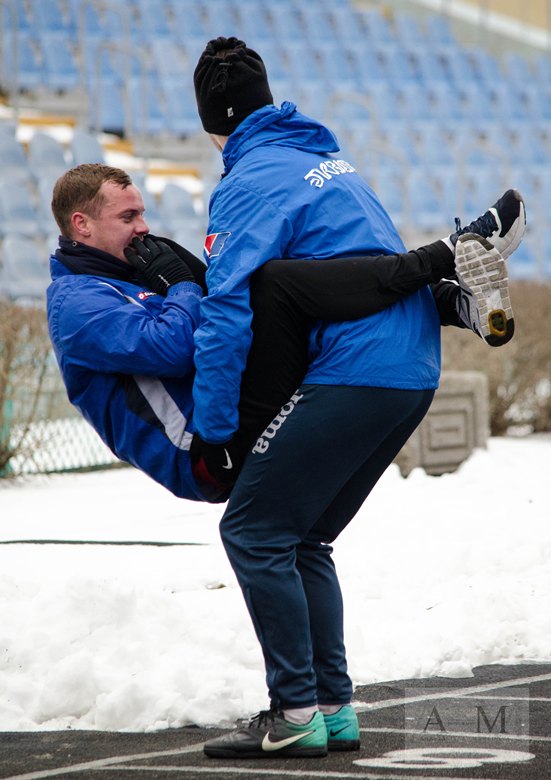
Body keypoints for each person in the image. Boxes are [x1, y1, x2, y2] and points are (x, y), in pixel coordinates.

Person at [190, 37, 526, 758]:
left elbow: (225, 309)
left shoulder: (247, 182)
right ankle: (333, 708)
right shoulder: (331, 164)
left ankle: (293, 712)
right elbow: (370, 268)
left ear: (214, 121)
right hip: (409, 368)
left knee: (252, 531)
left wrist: (215, 426)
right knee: (302, 535)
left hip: (354, 369)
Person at [47, 163, 504, 504]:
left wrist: (184, 277)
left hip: (224, 406)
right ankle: (439, 261)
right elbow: (175, 348)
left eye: (142, 214)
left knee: (285, 278)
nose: (143, 227)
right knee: (275, 286)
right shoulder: (75, 305)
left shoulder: (134, 270)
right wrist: (181, 284)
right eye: (128, 218)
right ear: (81, 225)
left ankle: (451, 302)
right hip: (205, 452)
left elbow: (226, 306)